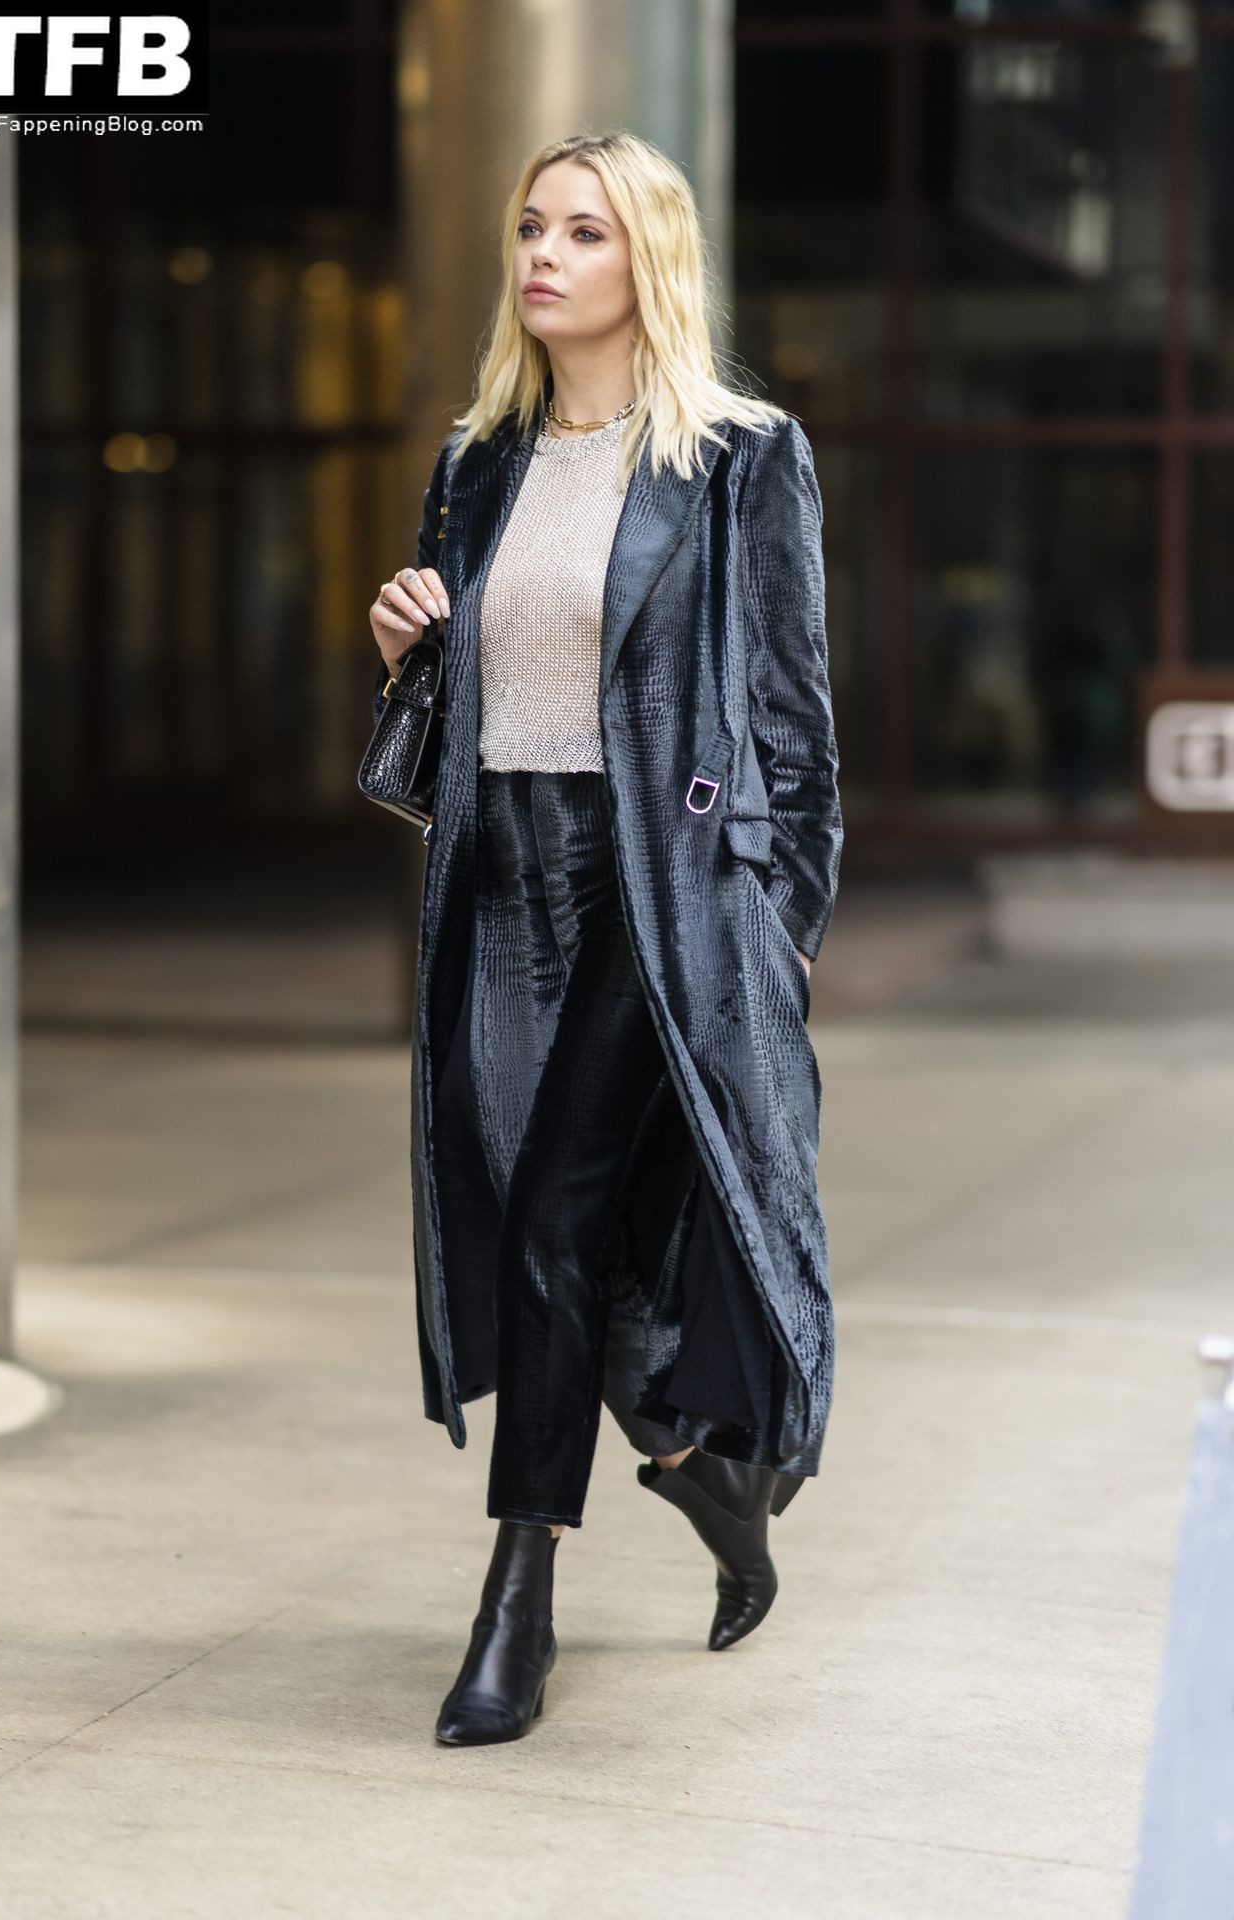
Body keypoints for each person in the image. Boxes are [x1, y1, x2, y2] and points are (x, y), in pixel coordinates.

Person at [368, 130, 843, 1747]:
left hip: (662, 887)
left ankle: (517, 1607)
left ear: (650, 259)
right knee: (569, 1245)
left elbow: (795, 723)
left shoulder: (738, 458)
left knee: (556, 1210)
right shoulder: (478, 460)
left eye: (583, 231)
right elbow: (462, 720)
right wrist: (406, 647)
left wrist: (781, 933)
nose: (543, 255)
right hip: (506, 882)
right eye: (530, 227)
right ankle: (714, 1491)